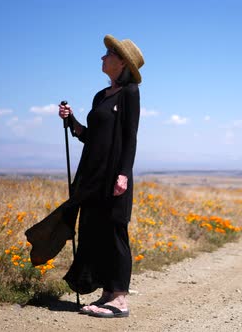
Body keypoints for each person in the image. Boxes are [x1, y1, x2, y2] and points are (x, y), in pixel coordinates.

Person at [56, 34, 144, 318]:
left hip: (114, 177)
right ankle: (107, 291)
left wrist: (124, 174)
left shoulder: (130, 94)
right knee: (95, 232)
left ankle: (120, 299)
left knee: (116, 232)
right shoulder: (99, 96)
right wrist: (71, 121)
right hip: (93, 177)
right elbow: (91, 137)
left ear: (121, 62)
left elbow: (130, 137)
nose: (102, 58)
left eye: (108, 54)